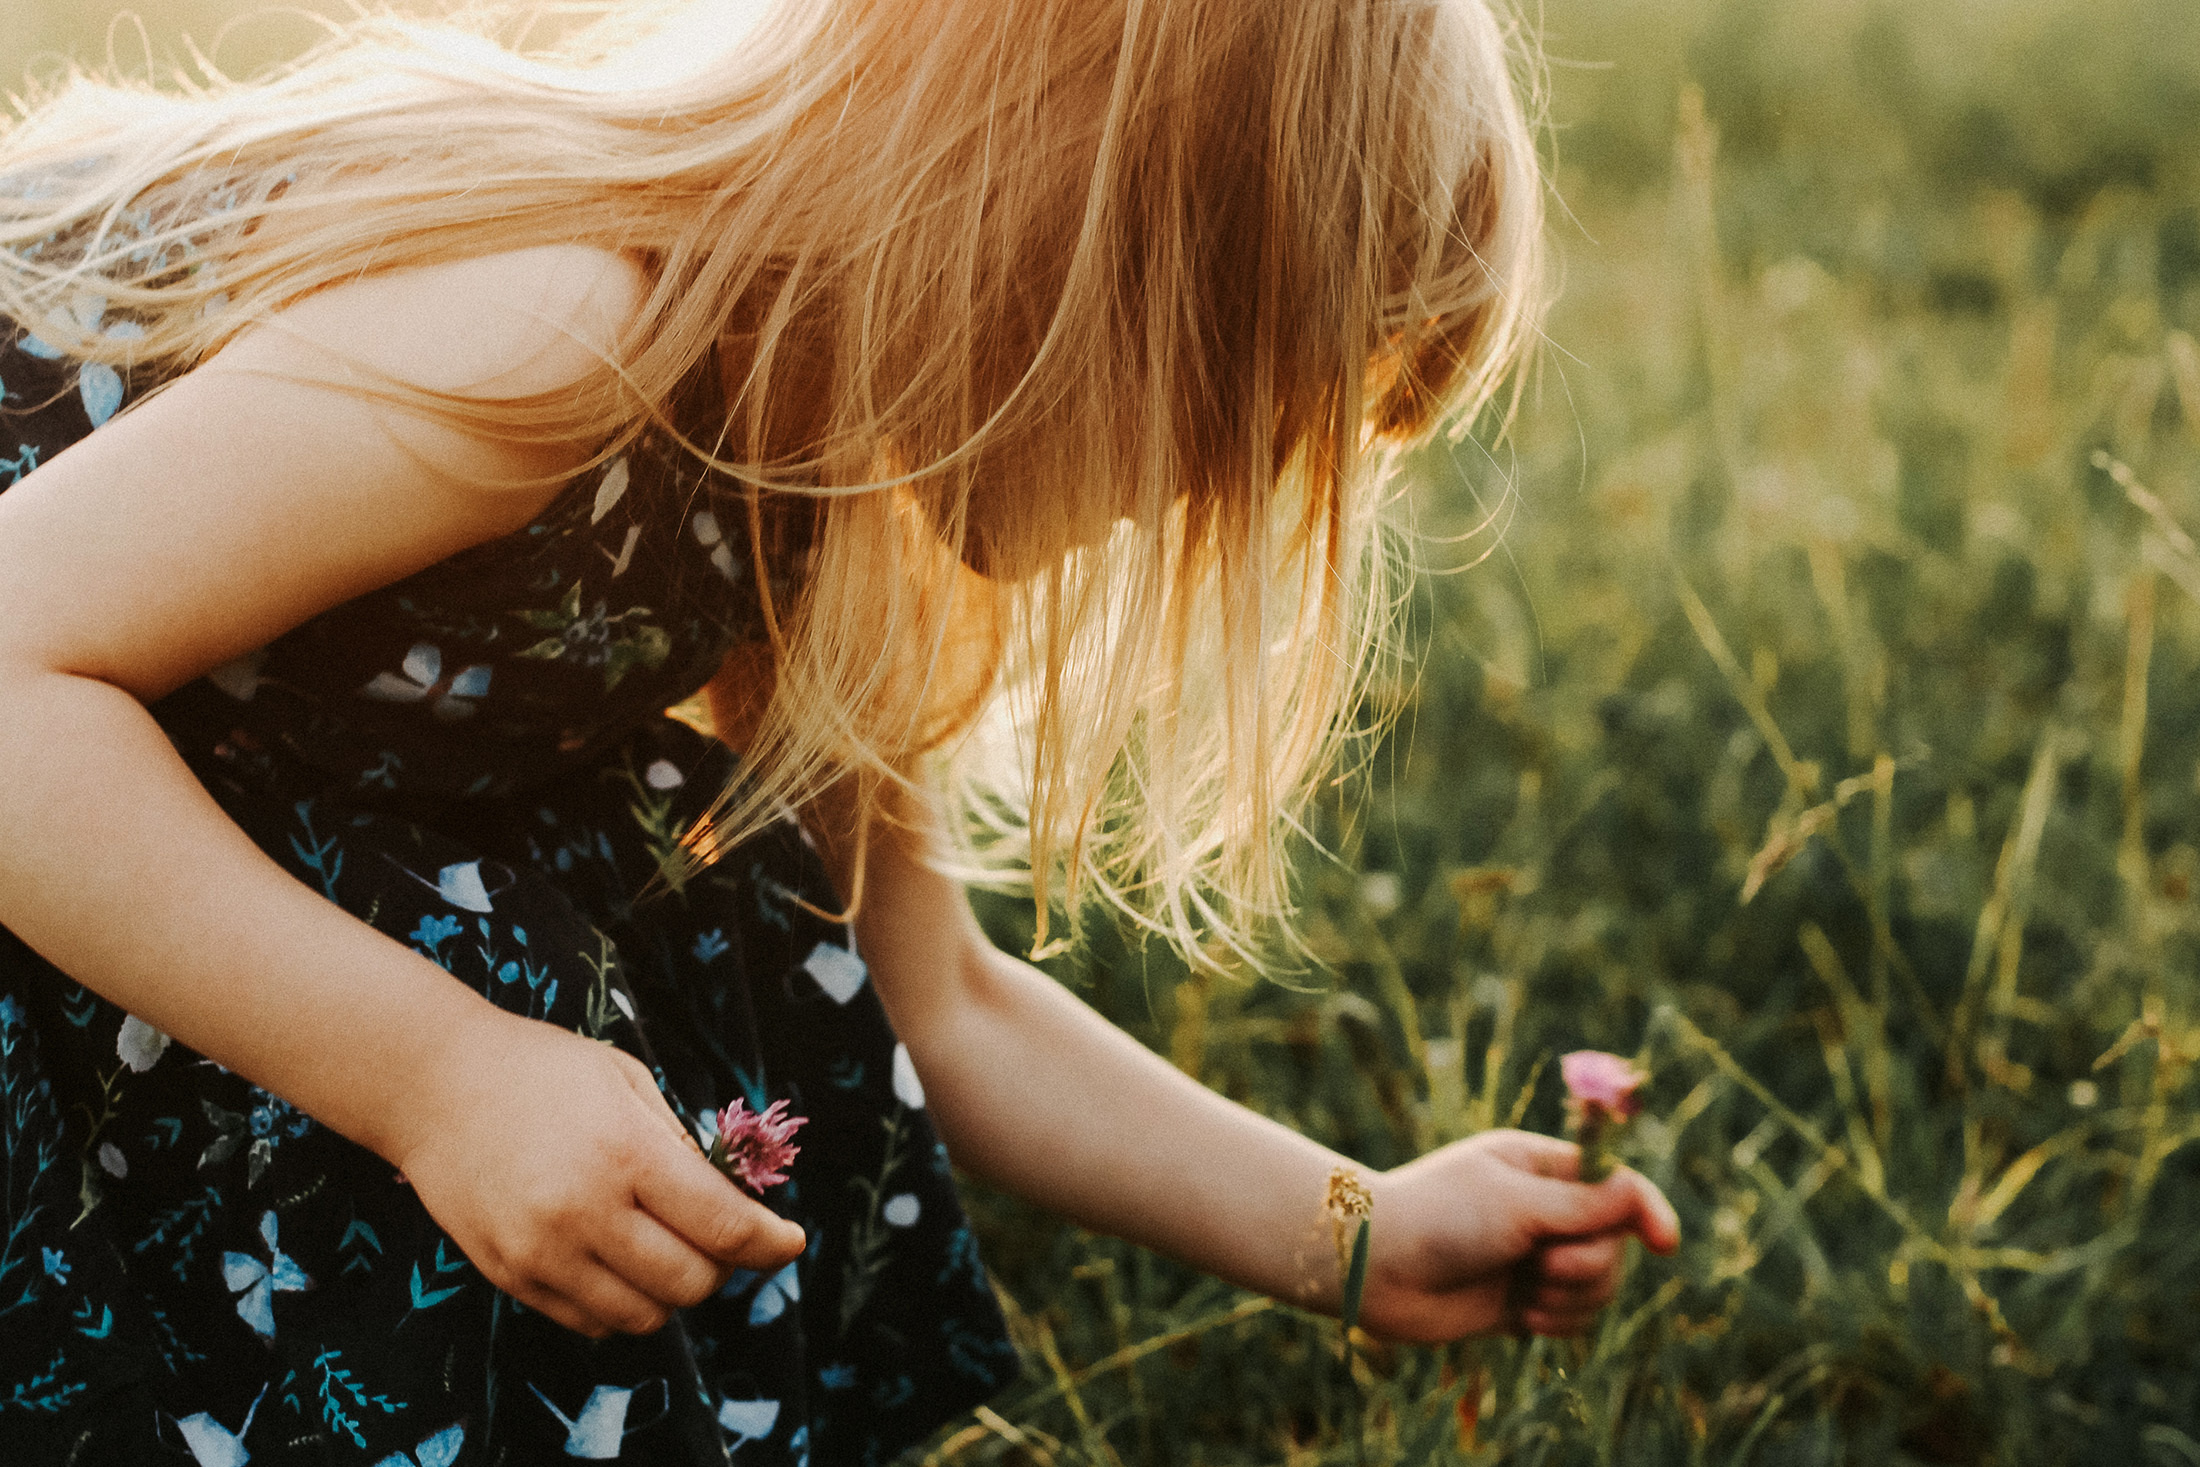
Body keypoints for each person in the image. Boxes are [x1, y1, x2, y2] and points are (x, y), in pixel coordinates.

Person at [0, 0, 1681, 1461]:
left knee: (716, 908)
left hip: (111, 774)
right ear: (1054, 224)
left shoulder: (825, 463)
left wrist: (1354, 1229)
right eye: (1225, 412)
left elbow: (933, 995)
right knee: (492, 976)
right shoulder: (568, 322)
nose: (1203, 496)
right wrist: (440, 1078)